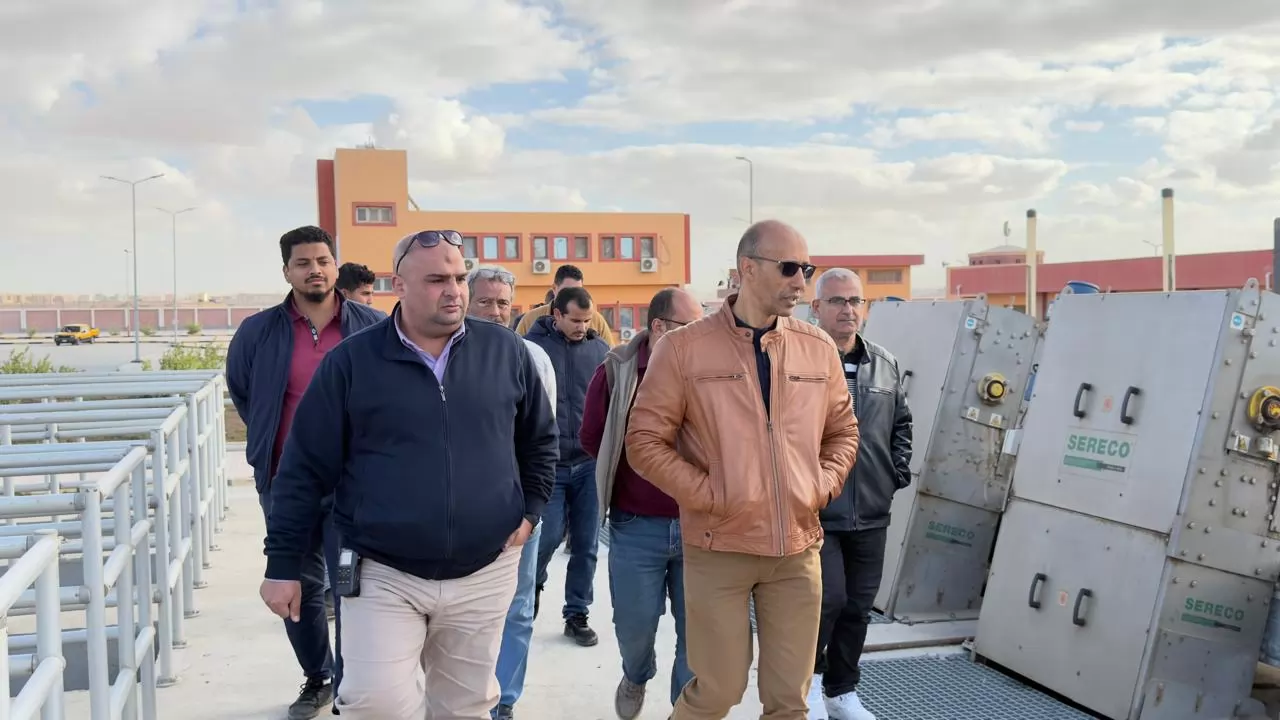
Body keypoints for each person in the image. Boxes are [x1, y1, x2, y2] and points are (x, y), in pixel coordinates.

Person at [258, 229, 559, 719]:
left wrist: (530, 513)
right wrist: (283, 563)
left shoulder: (506, 351)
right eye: (437, 279)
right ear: (398, 284)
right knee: (375, 704)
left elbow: (539, 441)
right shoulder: (351, 362)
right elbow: (303, 468)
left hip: (486, 569)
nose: (454, 291)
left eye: (459, 277)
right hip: (382, 571)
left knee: (465, 707)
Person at [625, 219, 861, 720]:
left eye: (807, 269)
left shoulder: (817, 348)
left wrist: (819, 486)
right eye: (789, 268)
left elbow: (843, 432)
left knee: (789, 701)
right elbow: (643, 441)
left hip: (797, 549)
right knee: (718, 690)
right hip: (719, 547)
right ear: (747, 269)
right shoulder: (683, 348)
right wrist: (711, 494)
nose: (801, 282)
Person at [226, 225, 384, 719]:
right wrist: (277, 445)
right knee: (296, 584)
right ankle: (319, 676)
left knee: (352, 586)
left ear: (335, 266)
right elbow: (246, 394)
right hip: (285, 483)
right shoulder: (258, 332)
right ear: (286, 272)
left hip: (354, 486)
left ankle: (352, 683)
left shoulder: (373, 327)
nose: (314, 270)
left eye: (322, 260)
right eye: (303, 263)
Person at [580, 287, 703, 719]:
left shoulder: (712, 373)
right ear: (659, 327)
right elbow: (593, 437)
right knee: (634, 626)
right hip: (636, 526)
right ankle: (636, 675)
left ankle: (684, 708)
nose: (700, 335)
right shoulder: (617, 371)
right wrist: (634, 474)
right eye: (690, 326)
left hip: (700, 527)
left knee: (699, 634)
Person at [807, 269, 912, 720]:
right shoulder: (799, 361)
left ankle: (842, 692)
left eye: (855, 301)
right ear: (816, 308)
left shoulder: (884, 363)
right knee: (824, 601)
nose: (847, 310)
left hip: (871, 509)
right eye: (837, 301)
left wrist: (894, 474)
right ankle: (808, 683)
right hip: (818, 510)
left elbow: (901, 423)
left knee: (858, 607)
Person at [465, 264, 557, 720]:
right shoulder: (444, 357)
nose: (495, 311)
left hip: (518, 510)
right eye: (484, 301)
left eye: (503, 303)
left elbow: (543, 439)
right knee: (463, 615)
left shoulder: (532, 358)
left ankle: (503, 701)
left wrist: (531, 511)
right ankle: (467, 697)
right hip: (461, 511)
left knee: (517, 608)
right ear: (465, 301)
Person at [526, 286, 610, 645]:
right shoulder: (530, 349)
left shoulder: (601, 351)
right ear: (556, 314)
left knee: (586, 544)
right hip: (550, 465)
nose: (582, 327)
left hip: (589, 464)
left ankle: (577, 613)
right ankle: (531, 588)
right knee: (545, 537)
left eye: (587, 320)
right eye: (575, 320)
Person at [514, 264, 617, 345]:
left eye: (577, 291)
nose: (572, 297)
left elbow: (610, 357)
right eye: (566, 291)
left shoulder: (597, 321)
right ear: (554, 288)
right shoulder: (530, 320)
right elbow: (517, 355)